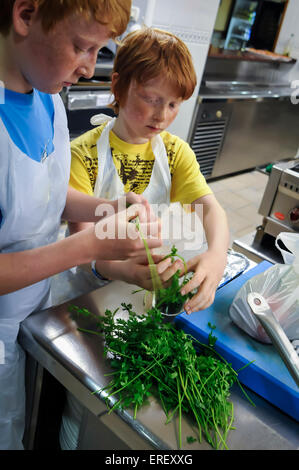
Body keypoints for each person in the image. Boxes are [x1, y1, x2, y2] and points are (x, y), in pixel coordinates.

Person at [0, 0, 164, 450]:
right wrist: (89, 246)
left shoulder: (47, 99)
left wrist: (108, 209)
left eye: (99, 51)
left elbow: (45, 196)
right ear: (26, 15)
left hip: (34, 310)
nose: (90, 68)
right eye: (81, 47)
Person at [69, 27, 230, 314]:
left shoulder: (174, 153)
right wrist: (123, 270)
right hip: (89, 293)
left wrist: (217, 256)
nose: (162, 115)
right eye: (151, 99)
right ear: (118, 86)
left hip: (145, 289)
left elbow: (211, 209)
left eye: (173, 104)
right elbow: (78, 248)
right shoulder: (83, 155)